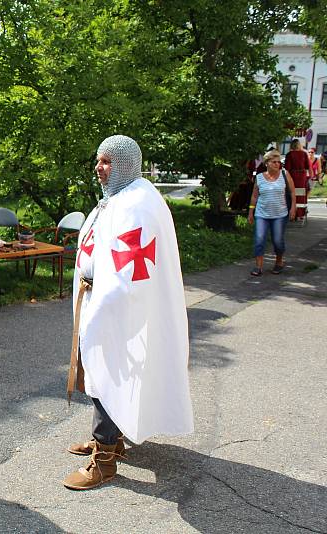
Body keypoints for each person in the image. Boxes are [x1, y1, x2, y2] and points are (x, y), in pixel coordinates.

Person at [62, 135, 193, 491]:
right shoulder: (117, 199)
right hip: (99, 297)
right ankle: (110, 439)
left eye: (106, 162)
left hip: (117, 303)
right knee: (100, 369)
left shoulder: (136, 204)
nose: (99, 168)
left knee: (108, 370)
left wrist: (106, 308)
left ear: (124, 164)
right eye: (98, 160)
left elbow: (130, 270)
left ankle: (103, 460)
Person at [247, 149, 296, 276]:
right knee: (259, 239)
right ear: (266, 163)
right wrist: (251, 212)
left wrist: (293, 208)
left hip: (280, 214)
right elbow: (254, 196)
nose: (277, 164)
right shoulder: (259, 178)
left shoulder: (285, 174)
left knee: (278, 241)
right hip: (261, 214)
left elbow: (292, 192)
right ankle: (258, 266)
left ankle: (279, 262)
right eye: (274, 162)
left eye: (278, 162)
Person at [284, 139, 310, 220]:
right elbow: (307, 166)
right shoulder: (304, 154)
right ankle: (300, 214)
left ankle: (292, 213)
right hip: (302, 176)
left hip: (292, 175)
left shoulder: (289, 154)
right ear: (299, 145)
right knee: (301, 194)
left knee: (291, 193)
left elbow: (287, 168)